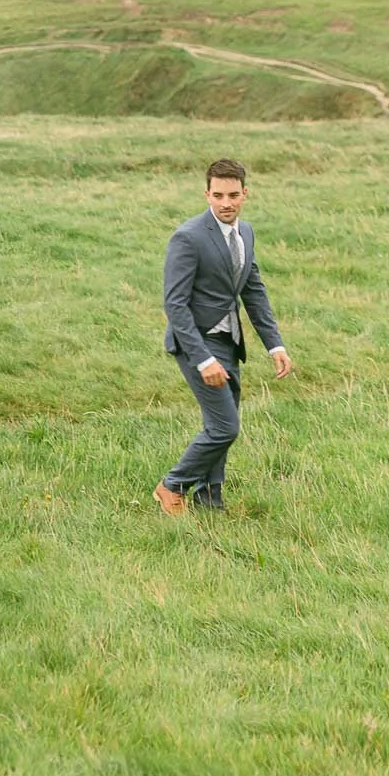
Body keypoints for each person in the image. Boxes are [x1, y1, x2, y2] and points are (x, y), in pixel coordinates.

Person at [153, 159, 293, 516]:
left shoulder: (245, 233)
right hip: (196, 343)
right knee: (225, 427)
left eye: (233, 195)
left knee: (219, 423)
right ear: (207, 194)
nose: (225, 202)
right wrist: (202, 359)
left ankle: (210, 500)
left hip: (230, 342)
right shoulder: (188, 237)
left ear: (245, 194)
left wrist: (274, 344)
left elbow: (254, 290)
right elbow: (176, 305)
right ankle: (173, 486)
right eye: (218, 195)